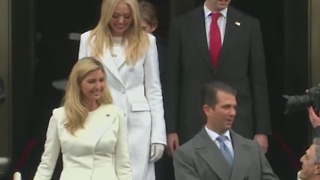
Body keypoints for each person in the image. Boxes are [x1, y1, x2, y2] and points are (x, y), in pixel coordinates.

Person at [164, 0, 271, 160]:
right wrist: (170, 129)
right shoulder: (182, 25)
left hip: (237, 123)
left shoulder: (249, 25)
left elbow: (258, 82)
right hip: (192, 123)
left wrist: (261, 130)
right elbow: (172, 82)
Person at [78, 0, 167, 180]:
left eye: (127, 17)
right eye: (115, 16)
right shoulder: (88, 39)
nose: (121, 21)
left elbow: (153, 90)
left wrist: (158, 135)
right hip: (100, 119)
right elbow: (81, 86)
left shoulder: (147, 41)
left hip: (137, 125)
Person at [33, 57, 132, 180]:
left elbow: (123, 165)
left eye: (101, 80)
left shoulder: (115, 114)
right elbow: (47, 164)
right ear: (78, 84)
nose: (98, 86)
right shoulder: (60, 116)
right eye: (91, 81)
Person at [173, 81, 278, 180]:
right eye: (226, 107)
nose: (233, 113)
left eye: (234, 107)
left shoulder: (253, 148)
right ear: (207, 110)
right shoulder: (186, 155)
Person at [138, 0, 167, 81]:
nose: (138, 33)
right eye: (133, 29)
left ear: (153, 26)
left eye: (143, 29)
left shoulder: (163, 50)